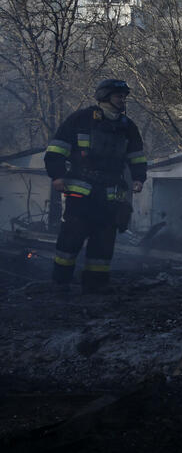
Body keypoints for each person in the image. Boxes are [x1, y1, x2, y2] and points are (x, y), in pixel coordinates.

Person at [44, 79, 146, 293]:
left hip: (110, 195)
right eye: (119, 96)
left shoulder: (127, 127)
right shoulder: (80, 119)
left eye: (124, 97)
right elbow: (56, 150)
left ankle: (95, 287)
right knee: (71, 238)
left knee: (104, 242)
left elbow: (136, 156)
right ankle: (60, 284)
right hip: (82, 192)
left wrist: (139, 178)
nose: (123, 100)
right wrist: (57, 176)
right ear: (105, 96)